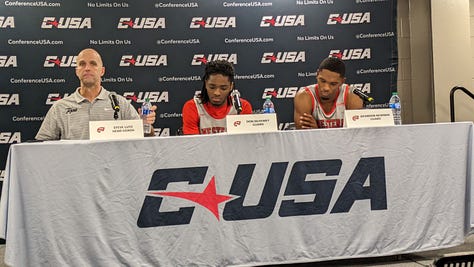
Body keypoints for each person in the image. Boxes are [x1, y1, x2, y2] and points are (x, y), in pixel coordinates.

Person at [35, 48, 157, 140]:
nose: (87, 68)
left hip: (112, 173)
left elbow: (146, 139)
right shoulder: (60, 107)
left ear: (102, 70)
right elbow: (42, 145)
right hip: (74, 173)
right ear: (77, 71)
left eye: (93, 64)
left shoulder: (121, 104)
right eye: (82, 64)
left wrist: (145, 125)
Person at [182, 60, 252, 135]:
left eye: (223, 88)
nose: (217, 93)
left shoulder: (242, 107)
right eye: (212, 87)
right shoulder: (193, 107)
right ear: (205, 84)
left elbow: (245, 142)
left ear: (231, 86)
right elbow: (192, 144)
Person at [293, 56, 363, 129]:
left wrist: (317, 131)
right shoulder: (303, 96)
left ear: (342, 82)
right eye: (322, 81)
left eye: (333, 84)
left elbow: (353, 136)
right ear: (317, 75)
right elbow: (303, 137)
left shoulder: (353, 96)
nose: (326, 88)